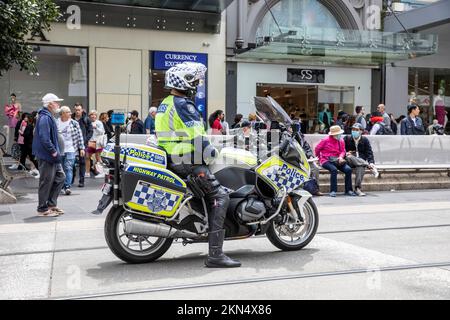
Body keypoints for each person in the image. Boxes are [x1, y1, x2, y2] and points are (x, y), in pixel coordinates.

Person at [155, 61, 240, 268]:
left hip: (174, 157)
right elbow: (198, 138)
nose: (197, 83)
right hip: (188, 160)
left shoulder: (165, 102)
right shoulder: (184, 105)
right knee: (220, 195)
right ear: (184, 82)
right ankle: (216, 255)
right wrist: (214, 153)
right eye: (194, 80)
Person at [32, 93, 66, 217]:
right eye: (57, 102)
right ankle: (42, 209)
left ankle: (51, 204)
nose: (59, 104)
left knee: (60, 177)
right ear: (50, 104)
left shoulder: (47, 116)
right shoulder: (45, 117)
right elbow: (45, 139)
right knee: (46, 182)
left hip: (52, 156)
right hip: (48, 156)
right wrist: (54, 152)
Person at [315, 125, 356, 197]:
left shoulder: (341, 140)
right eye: (338, 134)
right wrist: (318, 158)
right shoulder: (325, 140)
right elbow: (317, 149)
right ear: (334, 135)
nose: (339, 135)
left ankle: (348, 190)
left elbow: (343, 151)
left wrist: (340, 157)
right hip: (326, 160)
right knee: (334, 170)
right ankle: (333, 190)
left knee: (348, 169)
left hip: (337, 160)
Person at [344, 123, 379, 197]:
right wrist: (346, 153)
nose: (354, 131)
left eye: (356, 130)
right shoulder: (347, 138)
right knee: (350, 156)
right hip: (349, 161)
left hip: (360, 162)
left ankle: (357, 189)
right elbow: (341, 150)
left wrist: (371, 162)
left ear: (361, 131)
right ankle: (369, 166)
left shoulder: (364, 140)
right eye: (353, 130)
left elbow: (369, 152)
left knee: (361, 166)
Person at [57, 106, 86, 195]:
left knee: (68, 168)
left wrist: (81, 148)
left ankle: (67, 186)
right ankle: (61, 186)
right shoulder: (56, 122)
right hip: (59, 149)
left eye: (70, 112)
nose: (70, 113)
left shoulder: (74, 123)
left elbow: (79, 135)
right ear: (63, 114)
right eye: (68, 112)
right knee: (60, 168)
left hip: (70, 149)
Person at [291, 121, 323, 196]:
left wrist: (310, 155)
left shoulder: (301, 137)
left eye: (298, 126)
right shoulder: (289, 136)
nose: (298, 128)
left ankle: (315, 189)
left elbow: (307, 148)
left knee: (315, 168)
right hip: (295, 160)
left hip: (306, 160)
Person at [72, 103, 93, 187]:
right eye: (76, 110)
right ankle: (71, 178)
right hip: (72, 144)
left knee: (82, 162)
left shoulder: (86, 119)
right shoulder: (71, 118)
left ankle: (81, 181)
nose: (77, 111)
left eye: (79, 110)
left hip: (83, 144)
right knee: (71, 162)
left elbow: (90, 131)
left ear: (82, 110)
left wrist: (85, 139)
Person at [86, 110, 105, 177]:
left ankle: (101, 172)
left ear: (96, 116)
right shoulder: (87, 122)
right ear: (89, 116)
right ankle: (87, 172)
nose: (93, 116)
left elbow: (102, 132)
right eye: (91, 114)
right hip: (90, 142)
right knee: (87, 156)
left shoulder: (99, 123)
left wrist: (96, 127)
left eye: (94, 115)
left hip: (98, 142)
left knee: (98, 157)